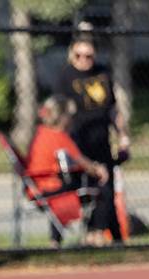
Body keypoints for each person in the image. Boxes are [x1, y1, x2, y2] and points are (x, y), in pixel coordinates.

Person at [55, 27, 131, 246]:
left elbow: (113, 110)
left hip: (102, 143)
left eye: (88, 56)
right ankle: (58, 240)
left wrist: (123, 137)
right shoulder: (65, 76)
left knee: (106, 190)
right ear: (71, 54)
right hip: (77, 145)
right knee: (74, 191)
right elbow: (59, 114)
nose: (84, 60)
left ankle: (114, 239)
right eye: (78, 56)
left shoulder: (102, 73)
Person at [25, 95, 109, 248]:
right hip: (49, 189)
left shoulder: (41, 132)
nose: (72, 120)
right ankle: (94, 234)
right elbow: (83, 162)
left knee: (74, 187)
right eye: (70, 116)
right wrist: (98, 169)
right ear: (63, 118)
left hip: (37, 188)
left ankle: (57, 241)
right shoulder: (59, 136)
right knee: (101, 191)